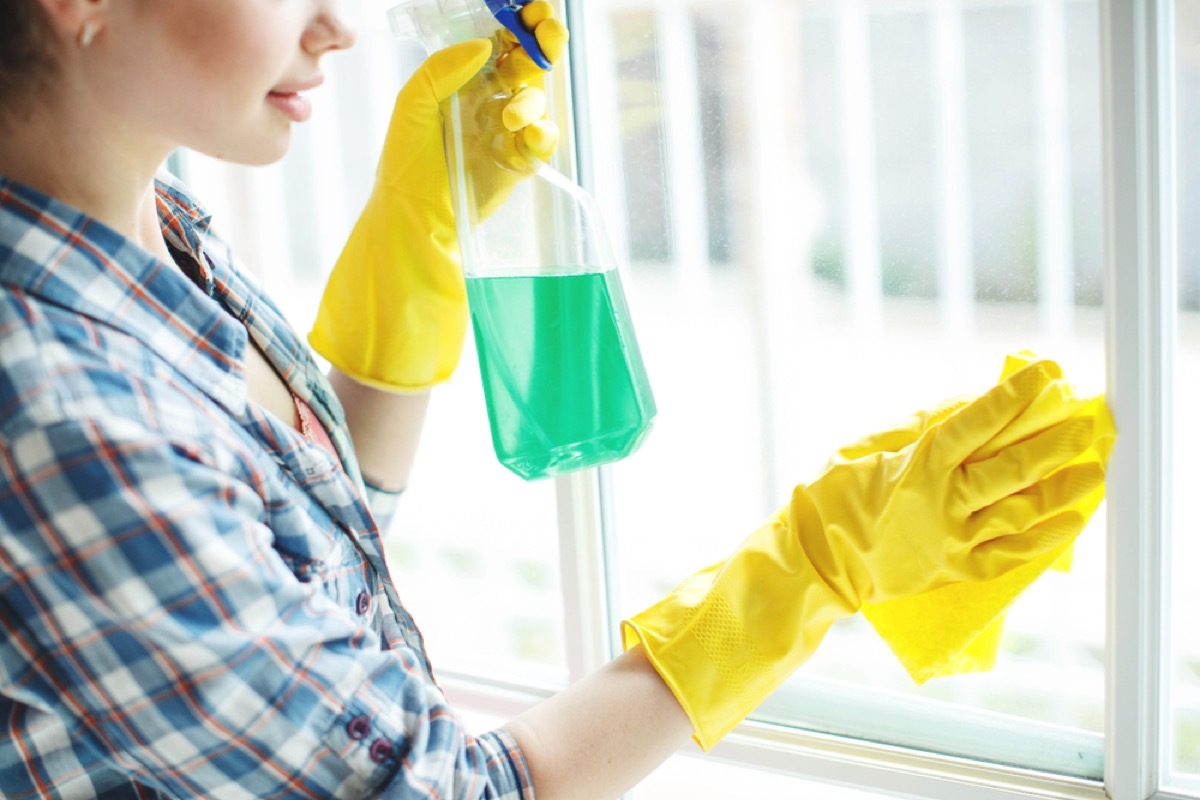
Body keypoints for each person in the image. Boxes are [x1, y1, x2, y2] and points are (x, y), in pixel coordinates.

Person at [0, 1, 1111, 798]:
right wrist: (810, 568)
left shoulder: (142, 227)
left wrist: (423, 237)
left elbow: (288, 562)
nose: (338, 21)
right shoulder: (54, 412)